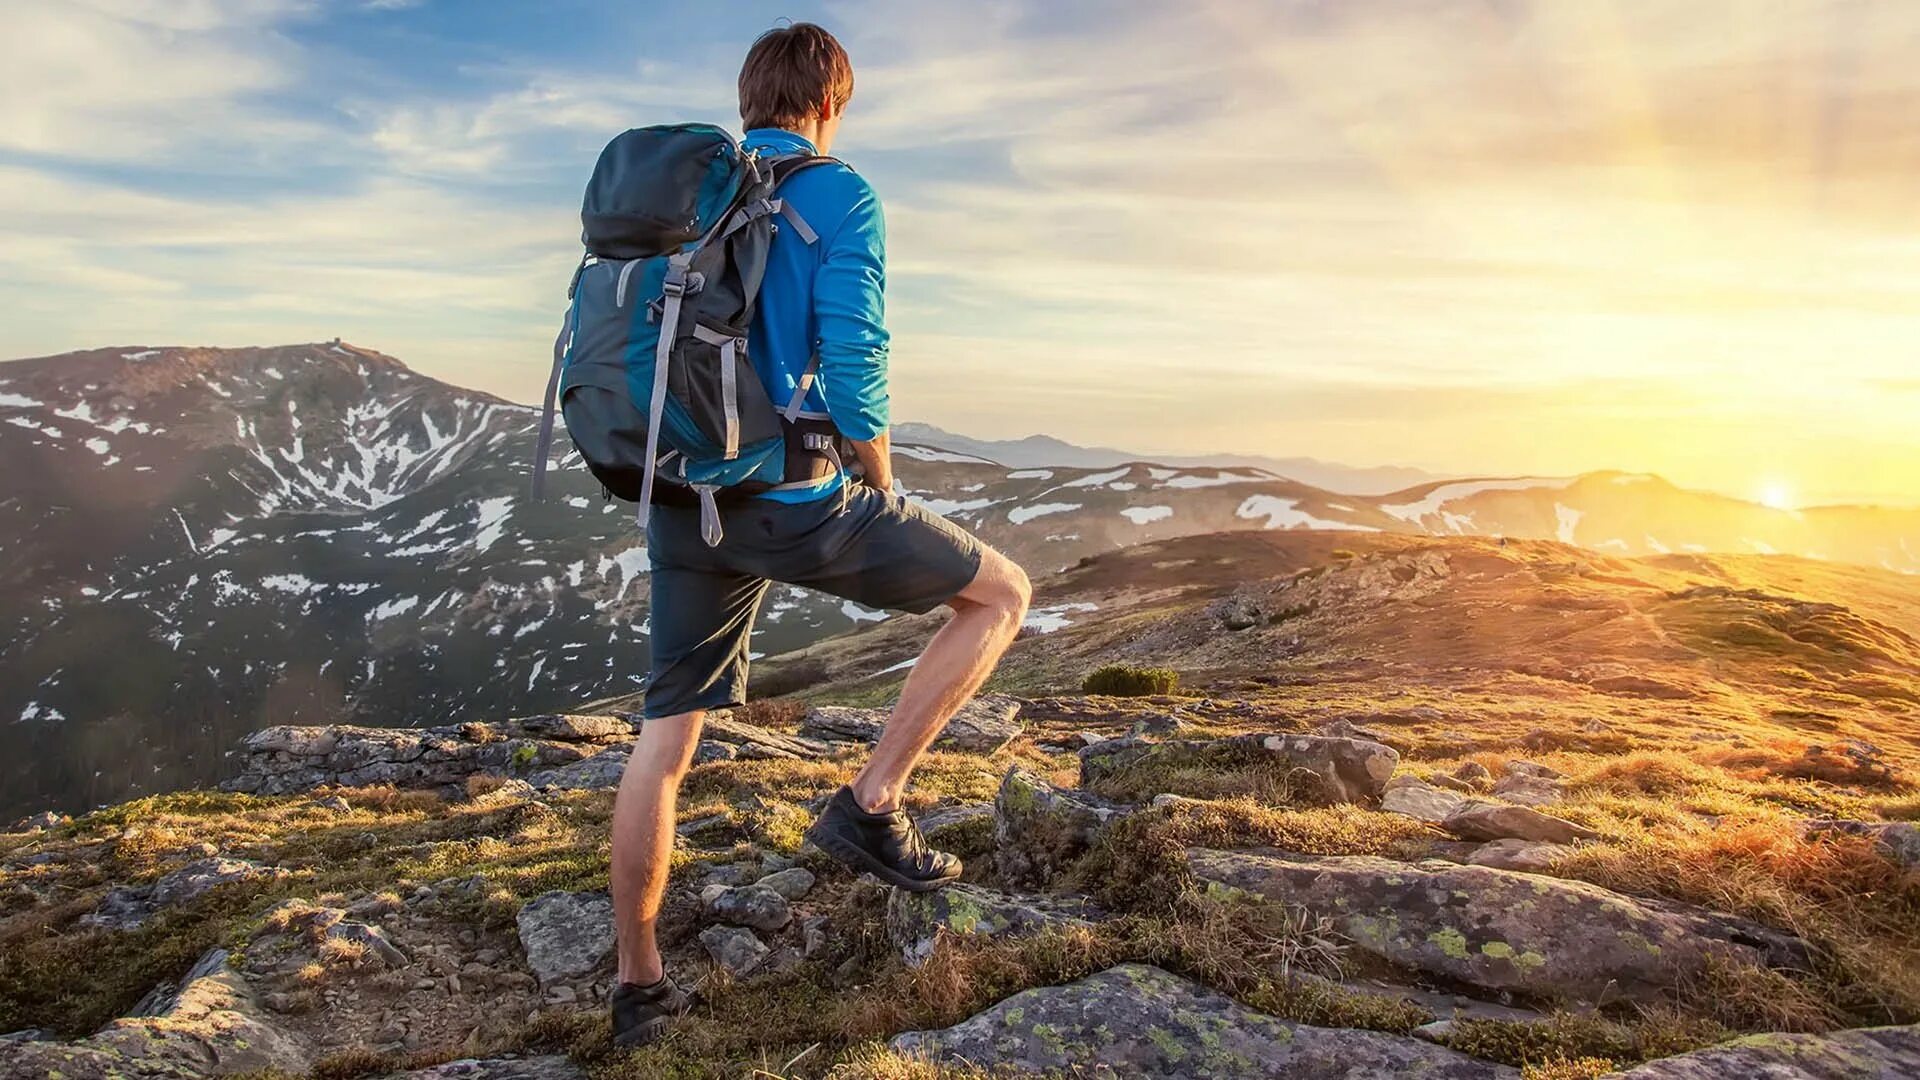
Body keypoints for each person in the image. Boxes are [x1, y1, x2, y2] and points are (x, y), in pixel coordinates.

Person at [605, 22, 1033, 1047]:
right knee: (1002, 594)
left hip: (677, 498)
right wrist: (876, 483)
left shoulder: (688, 202)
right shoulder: (838, 195)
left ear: (749, 98)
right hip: (789, 501)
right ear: (832, 103)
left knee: (663, 745)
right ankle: (871, 804)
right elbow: (854, 363)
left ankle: (637, 987)